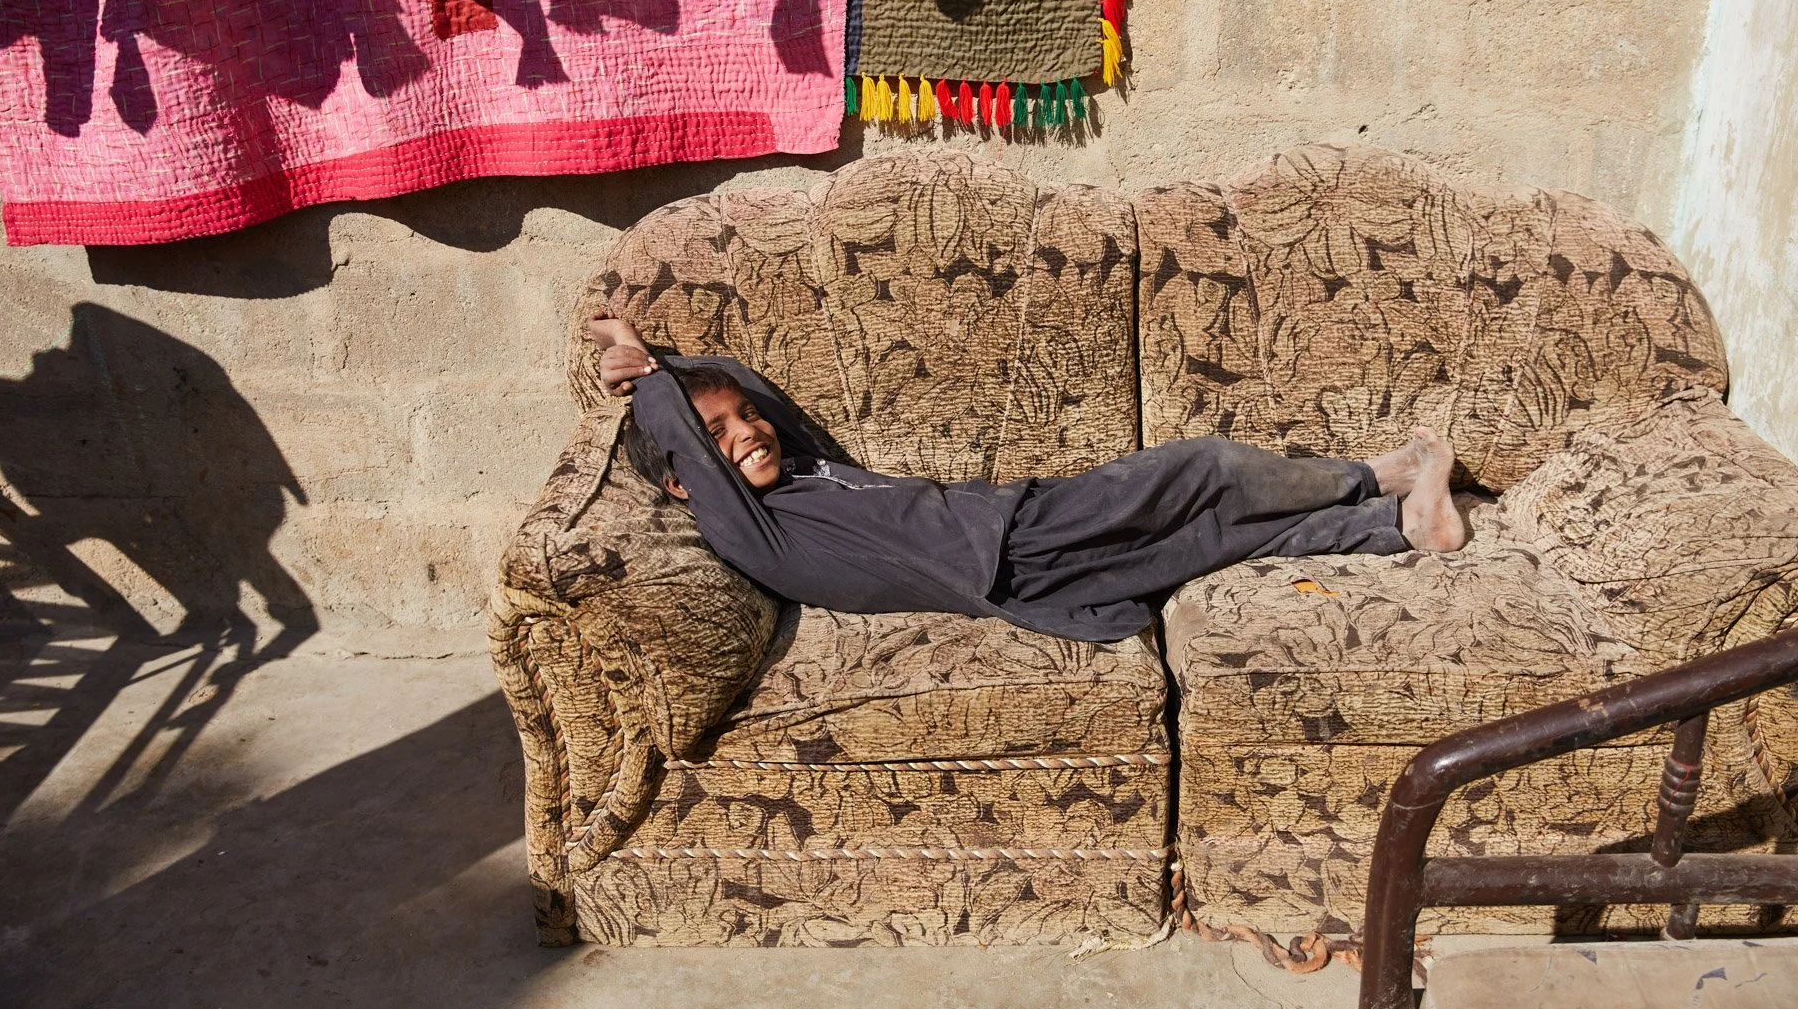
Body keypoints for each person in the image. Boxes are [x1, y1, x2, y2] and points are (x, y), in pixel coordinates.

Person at [589, 316, 1466, 643]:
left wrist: (670, 359)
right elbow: (683, 435)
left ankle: (1399, 525)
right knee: (1201, 467)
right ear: (685, 482)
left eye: (746, 419)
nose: (748, 433)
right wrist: (647, 378)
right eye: (718, 437)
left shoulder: (806, 476)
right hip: (1012, 548)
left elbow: (747, 380)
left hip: (1018, 543)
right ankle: (1363, 479)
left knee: (1214, 542)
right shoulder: (756, 530)